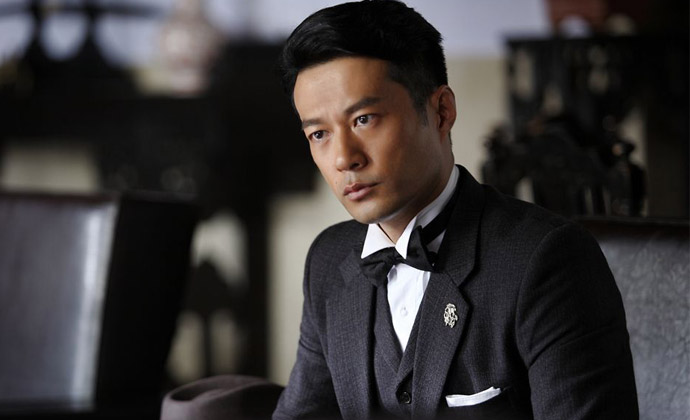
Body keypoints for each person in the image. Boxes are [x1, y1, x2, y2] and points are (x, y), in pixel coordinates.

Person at [273, 1, 638, 419]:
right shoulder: (328, 260)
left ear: (441, 111)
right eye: (319, 134)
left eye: (364, 119)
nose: (343, 158)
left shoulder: (548, 261)